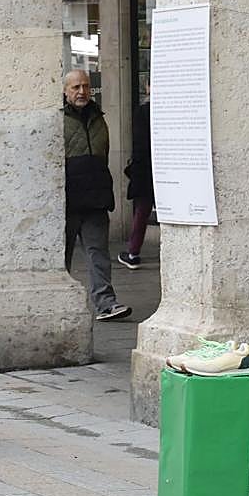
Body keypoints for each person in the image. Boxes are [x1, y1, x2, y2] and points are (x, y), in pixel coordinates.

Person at [62, 69, 130, 321]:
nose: (82, 92)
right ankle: (60, 302)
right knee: (62, 257)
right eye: (76, 87)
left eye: (86, 87)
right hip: (67, 202)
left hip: (95, 200)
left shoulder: (98, 118)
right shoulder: (58, 119)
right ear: (65, 91)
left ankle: (106, 303)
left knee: (99, 254)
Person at [117, 90, 152, 269]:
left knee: (142, 212)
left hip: (146, 170)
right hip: (167, 168)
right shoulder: (168, 109)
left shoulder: (143, 112)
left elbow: (139, 145)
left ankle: (133, 252)